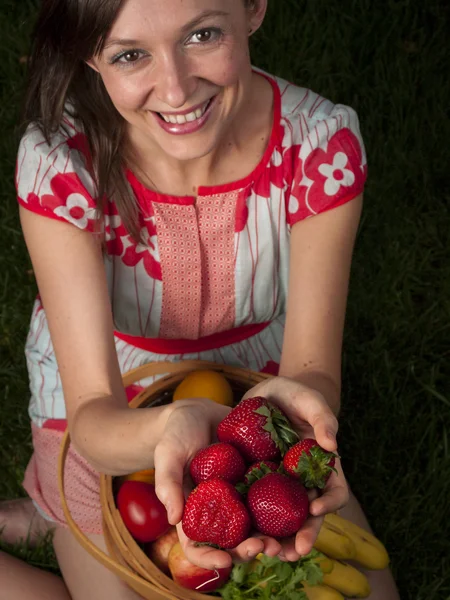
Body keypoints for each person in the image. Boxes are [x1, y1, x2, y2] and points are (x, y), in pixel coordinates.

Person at [0, 0, 400, 598]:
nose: (177, 88)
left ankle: (57, 524)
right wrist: (166, 430)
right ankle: (57, 514)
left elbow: (312, 370)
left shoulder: (318, 147)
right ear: (90, 53)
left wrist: (296, 408)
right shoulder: (62, 162)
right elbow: (92, 417)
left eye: (203, 34)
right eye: (131, 54)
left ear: (254, 9)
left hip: (255, 386)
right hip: (109, 406)